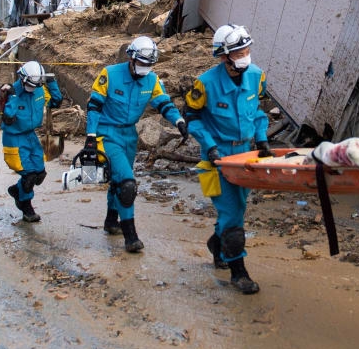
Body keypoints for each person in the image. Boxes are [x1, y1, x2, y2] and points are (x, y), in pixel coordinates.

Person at [80, 35, 187, 253]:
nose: (145, 68)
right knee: (128, 183)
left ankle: (111, 221)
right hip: (107, 133)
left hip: (129, 135)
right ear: (131, 58)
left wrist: (178, 121)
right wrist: (91, 136)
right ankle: (131, 236)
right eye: (142, 63)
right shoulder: (109, 75)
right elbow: (94, 106)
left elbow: (163, 103)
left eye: (150, 64)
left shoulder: (152, 80)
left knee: (117, 182)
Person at [185, 24, 270, 294]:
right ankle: (239, 273)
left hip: (246, 154)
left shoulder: (256, 76)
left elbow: (257, 111)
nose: (245, 54)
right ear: (223, 56)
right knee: (232, 214)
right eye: (239, 51)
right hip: (217, 158)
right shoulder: (206, 83)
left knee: (239, 208)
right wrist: (209, 146)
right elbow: (192, 118)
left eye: (247, 49)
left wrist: (263, 138)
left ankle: (216, 243)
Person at [0, 60, 64, 222]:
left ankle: (17, 190)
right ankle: (26, 208)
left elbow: (56, 101)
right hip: (14, 138)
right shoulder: (12, 93)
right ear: (22, 78)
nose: (33, 88)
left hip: (31, 136)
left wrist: (52, 83)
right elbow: (7, 118)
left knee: (39, 174)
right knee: (29, 176)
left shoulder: (39, 90)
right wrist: (12, 96)